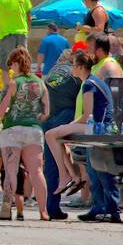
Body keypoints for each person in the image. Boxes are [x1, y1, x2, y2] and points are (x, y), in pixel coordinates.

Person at [0, 47, 50, 221]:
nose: (11, 68)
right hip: (34, 131)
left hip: (12, 130)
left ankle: (6, 210)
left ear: (16, 63)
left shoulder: (15, 83)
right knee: (37, 171)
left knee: (11, 171)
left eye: (11, 64)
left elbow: (0, 111)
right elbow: (46, 112)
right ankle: (43, 211)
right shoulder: (40, 83)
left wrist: (7, 113)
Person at [40, 48, 82, 219]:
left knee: (50, 164)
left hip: (46, 118)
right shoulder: (75, 74)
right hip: (65, 114)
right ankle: (75, 176)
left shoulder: (52, 73)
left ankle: (51, 206)